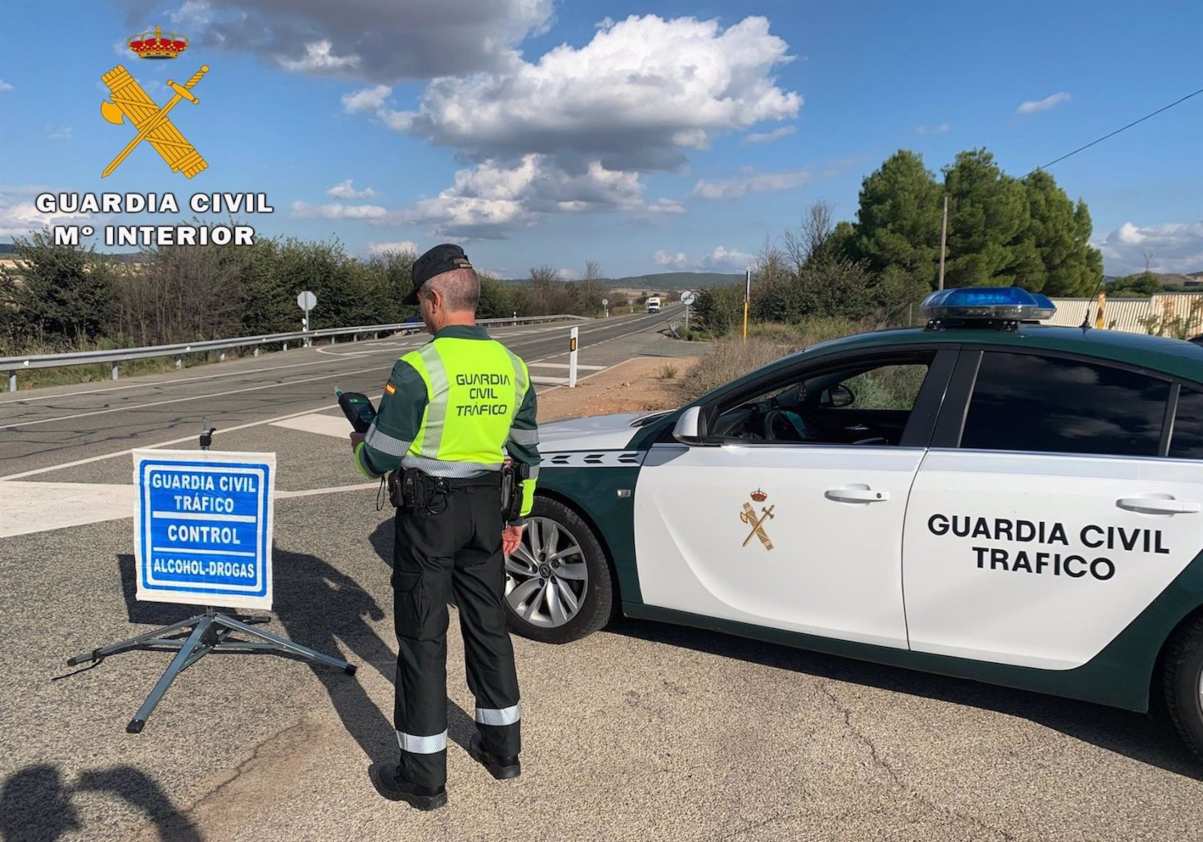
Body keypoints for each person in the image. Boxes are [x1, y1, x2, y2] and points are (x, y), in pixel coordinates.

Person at [351, 243, 540, 811]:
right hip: (488, 512)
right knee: (488, 628)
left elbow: (380, 459)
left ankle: (423, 777)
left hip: (430, 517)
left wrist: (361, 437)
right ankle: (503, 751)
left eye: (420, 304)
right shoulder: (513, 366)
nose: (421, 314)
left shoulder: (417, 368)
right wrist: (520, 516)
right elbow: (528, 452)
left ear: (435, 299)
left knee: (423, 639)